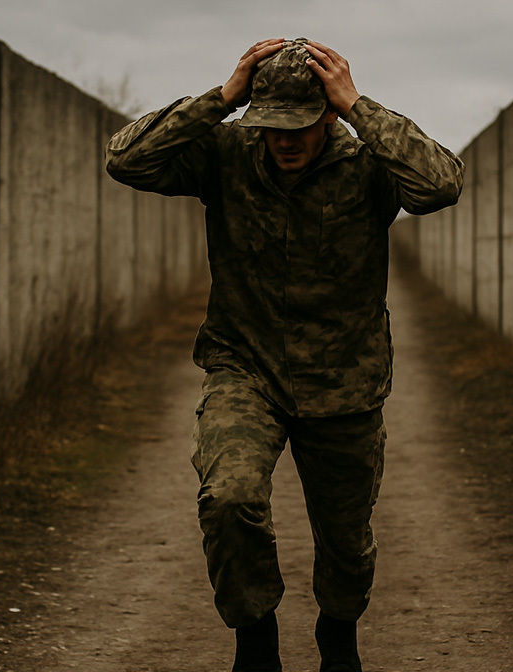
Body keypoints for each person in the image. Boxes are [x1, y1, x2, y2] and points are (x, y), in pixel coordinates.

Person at [106, 37, 463, 672]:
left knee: (346, 542)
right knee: (229, 498)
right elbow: (125, 160)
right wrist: (221, 98)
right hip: (246, 369)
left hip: (344, 381)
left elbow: (441, 184)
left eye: (300, 124)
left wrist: (358, 106)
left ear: (327, 115)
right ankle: (255, 643)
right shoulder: (227, 154)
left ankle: (338, 637)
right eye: (272, 124)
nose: (285, 140)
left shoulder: (367, 165)